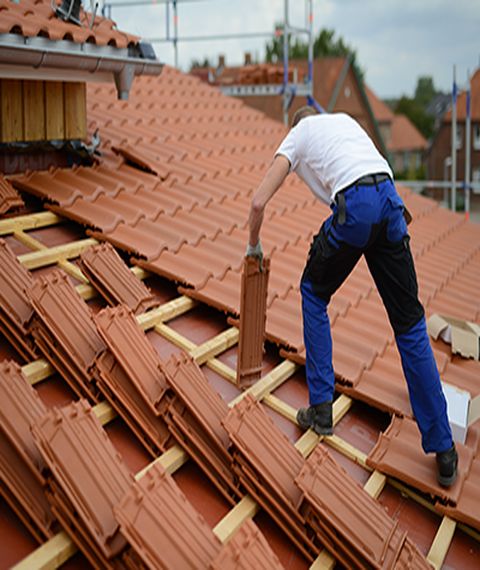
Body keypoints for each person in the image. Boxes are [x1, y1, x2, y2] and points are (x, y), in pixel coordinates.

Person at [246, 106, 458, 487]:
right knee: (410, 324)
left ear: (298, 123)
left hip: (356, 208)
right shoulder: (344, 122)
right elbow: (370, 176)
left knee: (313, 291)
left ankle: (321, 407)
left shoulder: (299, 132)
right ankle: (444, 449)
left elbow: (259, 201)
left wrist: (253, 245)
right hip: (390, 203)